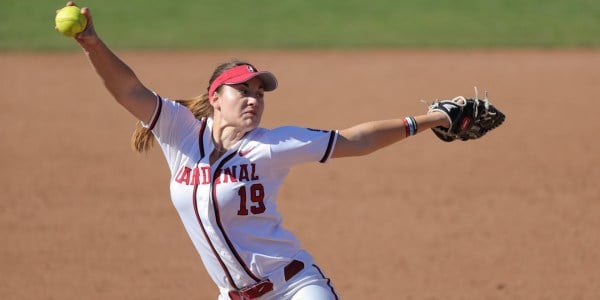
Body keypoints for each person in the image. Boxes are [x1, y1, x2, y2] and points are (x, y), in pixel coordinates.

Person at [67, 2, 452, 299]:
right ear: (215, 98)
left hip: (294, 288)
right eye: (243, 91)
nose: (253, 99)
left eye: (259, 93)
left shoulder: (272, 145)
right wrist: (93, 45)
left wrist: (430, 119)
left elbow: (356, 140)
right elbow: (129, 91)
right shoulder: (179, 131)